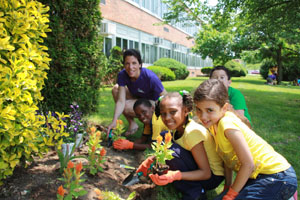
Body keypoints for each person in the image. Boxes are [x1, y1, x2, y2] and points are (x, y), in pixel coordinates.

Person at [193, 79, 297, 200]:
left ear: (224, 108)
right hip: (257, 177)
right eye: (199, 110)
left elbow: (248, 164)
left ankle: (285, 196)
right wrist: (227, 188)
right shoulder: (213, 125)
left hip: (278, 176)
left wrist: (231, 195)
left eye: (209, 110)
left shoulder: (227, 125)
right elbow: (227, 160)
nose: (203, 116)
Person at [137, 92, 224, 200]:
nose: (167, 118)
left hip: (211, 177)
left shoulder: (192, 133)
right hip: (203, 171)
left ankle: (195, 193)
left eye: (173, 112)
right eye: (163, 114)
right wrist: (151, 159)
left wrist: (175, 175)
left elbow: (206, 173)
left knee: (172, 152)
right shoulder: (178, 128)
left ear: (186, 110)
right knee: (165, 137)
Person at [107, 49, 167, 137]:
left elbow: (165, 97)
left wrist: (162, 115)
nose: (130, 67)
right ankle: (132, 124)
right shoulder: (122, 75)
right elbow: (120, 101)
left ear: (139, 64)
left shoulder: (150, 77)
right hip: (139, 97)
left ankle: (149, 124)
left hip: (152, 103)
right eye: (127, 63)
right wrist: (114, 121)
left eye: (134, 63)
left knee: (126, 106)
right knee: (116, 89)